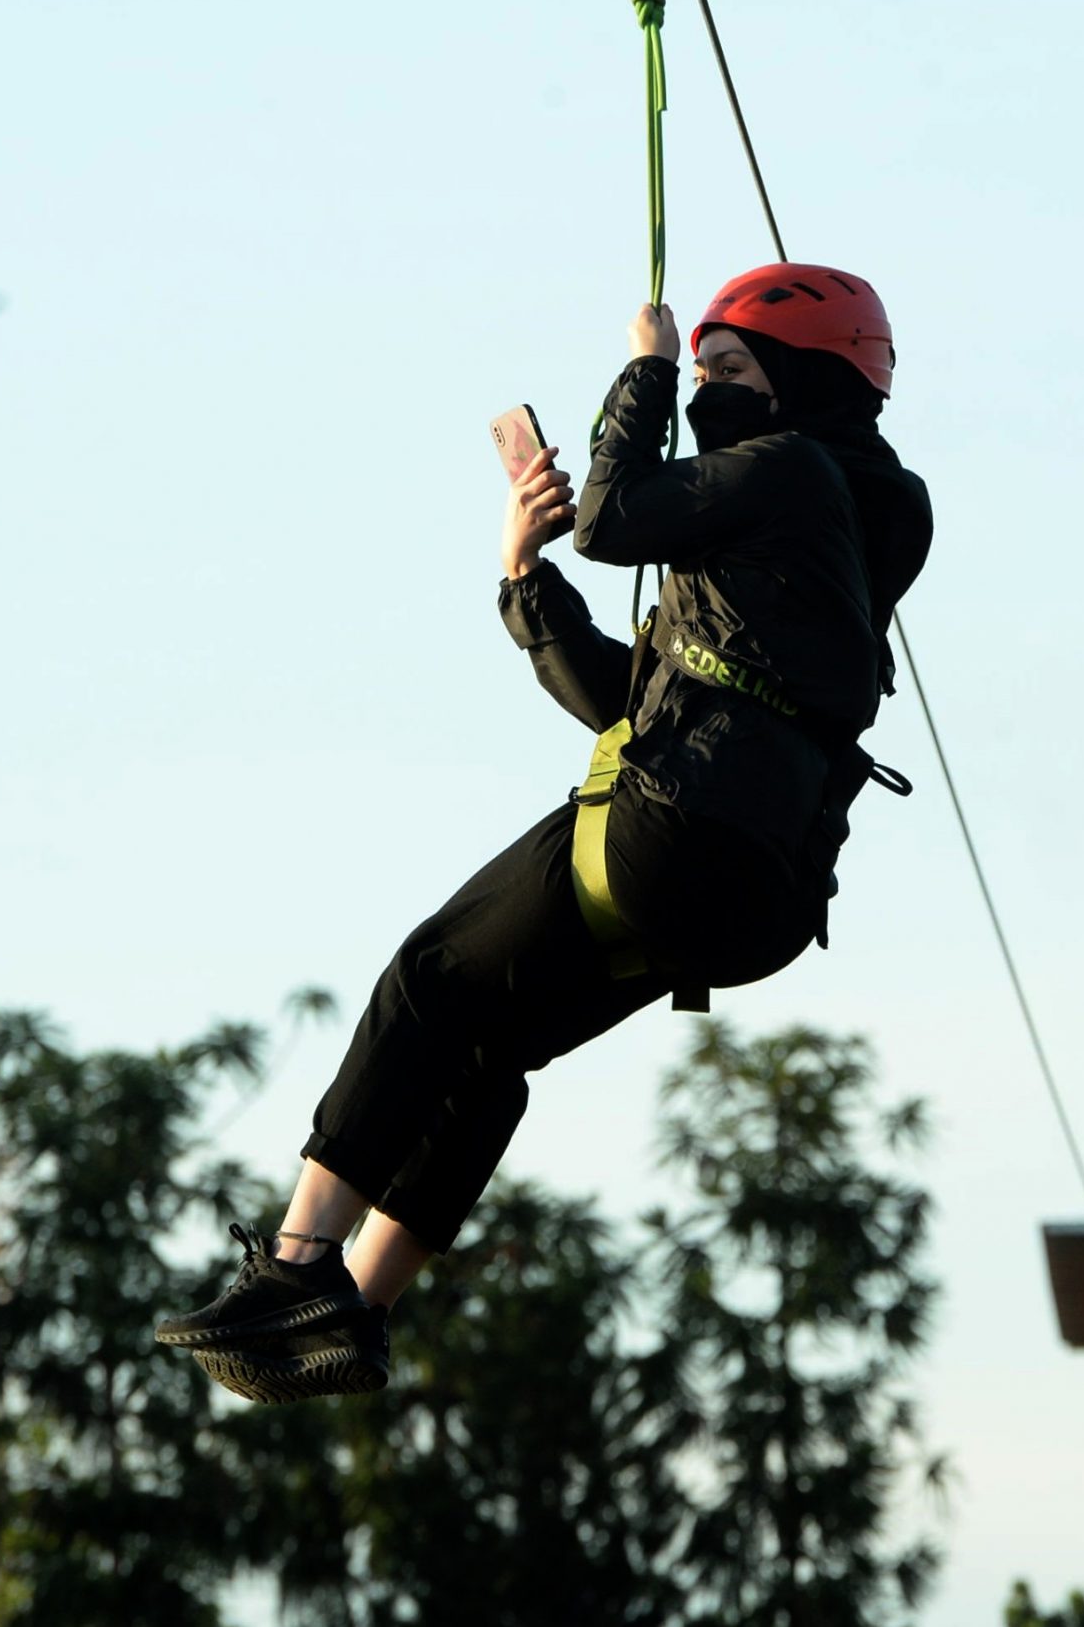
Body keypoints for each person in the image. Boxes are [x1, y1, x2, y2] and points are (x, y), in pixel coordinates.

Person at [155, 265, 933, 1404]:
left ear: (802, 383)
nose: (712, 392)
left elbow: (616, 518)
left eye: (732, 372)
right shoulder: (826, 534)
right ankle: (356, 1316)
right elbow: (634, 699)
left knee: (428, 977)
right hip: (756, 887)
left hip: (680, 834)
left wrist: (649, 371)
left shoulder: (790, 469)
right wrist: (525, 574)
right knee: (483, 1048)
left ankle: (296, 1268)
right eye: (704, 372)